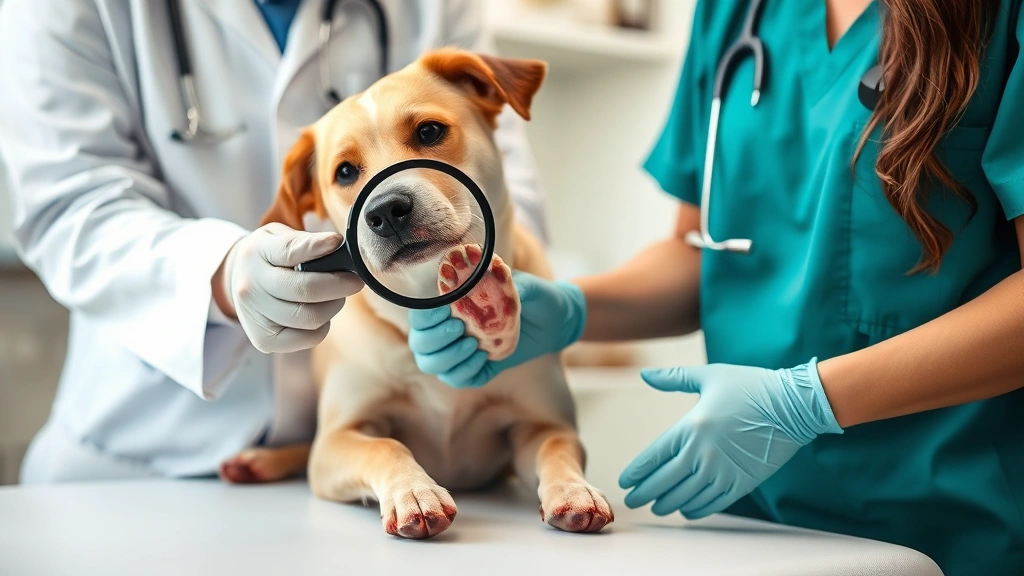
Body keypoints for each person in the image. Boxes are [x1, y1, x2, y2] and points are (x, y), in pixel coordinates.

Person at [407, 1, 1024, 574]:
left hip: (948, 531)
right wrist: (569, 308)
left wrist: (806, 402)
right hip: (752, 529)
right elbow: (702, 253)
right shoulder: (737, 10)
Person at [0, 0, 547, 483]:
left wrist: (496, 285)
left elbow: (501, 171)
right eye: (348, 172)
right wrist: (221, 273)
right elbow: (69, 203)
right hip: (137, 458)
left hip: (359, 467)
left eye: (425, 134)